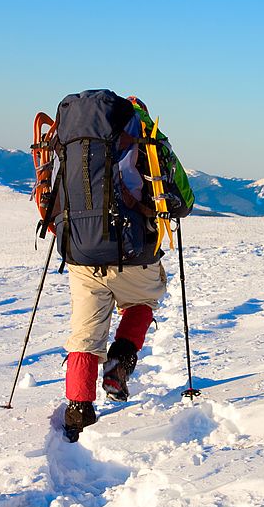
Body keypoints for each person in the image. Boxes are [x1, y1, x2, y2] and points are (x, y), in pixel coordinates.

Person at [55, 94, 194, 440]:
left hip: (81, 251)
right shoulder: (144, 131)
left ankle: (78, 410)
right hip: (134, 252)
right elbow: (183, 198)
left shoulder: (73, 136)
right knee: (143, 300)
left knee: (84, 335)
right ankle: (120, 360)